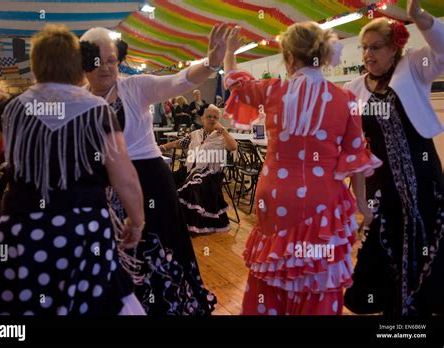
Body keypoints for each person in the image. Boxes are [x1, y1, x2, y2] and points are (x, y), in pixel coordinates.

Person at [0, 25, 145, 315]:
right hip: (84, 228)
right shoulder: (97, 109)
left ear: (37, 66)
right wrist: (137, 221)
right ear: (80, 67)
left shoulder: (15, 108)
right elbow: (124, 176)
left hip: (23, 229)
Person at [223, 22, 382, 315]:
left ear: (290, 58)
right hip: (322, 199)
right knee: (316, 270)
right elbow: (356, 158)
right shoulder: (345, 99)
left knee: (274, 266)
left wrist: (230, 53)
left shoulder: (272, 91)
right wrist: (363, 205)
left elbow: (236, 83)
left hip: (274, 196)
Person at [79, 24, 232, 315]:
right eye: (98, 61)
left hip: (150, 182)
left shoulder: (135, 86)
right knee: (118, 255)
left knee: (160, 250)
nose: (107, 67)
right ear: (85, 64)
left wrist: (211, 62)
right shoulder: (81, 99)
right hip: (107, 189)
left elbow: (178, 82)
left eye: (113, 60)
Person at [343, 0, 444, 316]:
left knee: (426, 232)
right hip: (381, 180)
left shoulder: (413, 68)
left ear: (394, 48)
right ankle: (391, 304)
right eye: (364, 48)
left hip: (422, 173)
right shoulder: (353, 87)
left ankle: (425, 302)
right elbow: (348, 143)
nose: (368, 55)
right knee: (385, 239)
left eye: (375, 47)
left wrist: (421, 18)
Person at [160, 104, 236, 233]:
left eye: (215, 117)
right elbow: (180, 143)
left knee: (192, 186)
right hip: (190, 170)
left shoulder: (221, 137)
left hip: (210, 175)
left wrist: (223, 130)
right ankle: (168, 218)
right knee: (167, 179)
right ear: (202, 119)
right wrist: (163, 147)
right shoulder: (195, 134)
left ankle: (189, 224)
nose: (212, 119)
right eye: (209, 116)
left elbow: (233, 147)